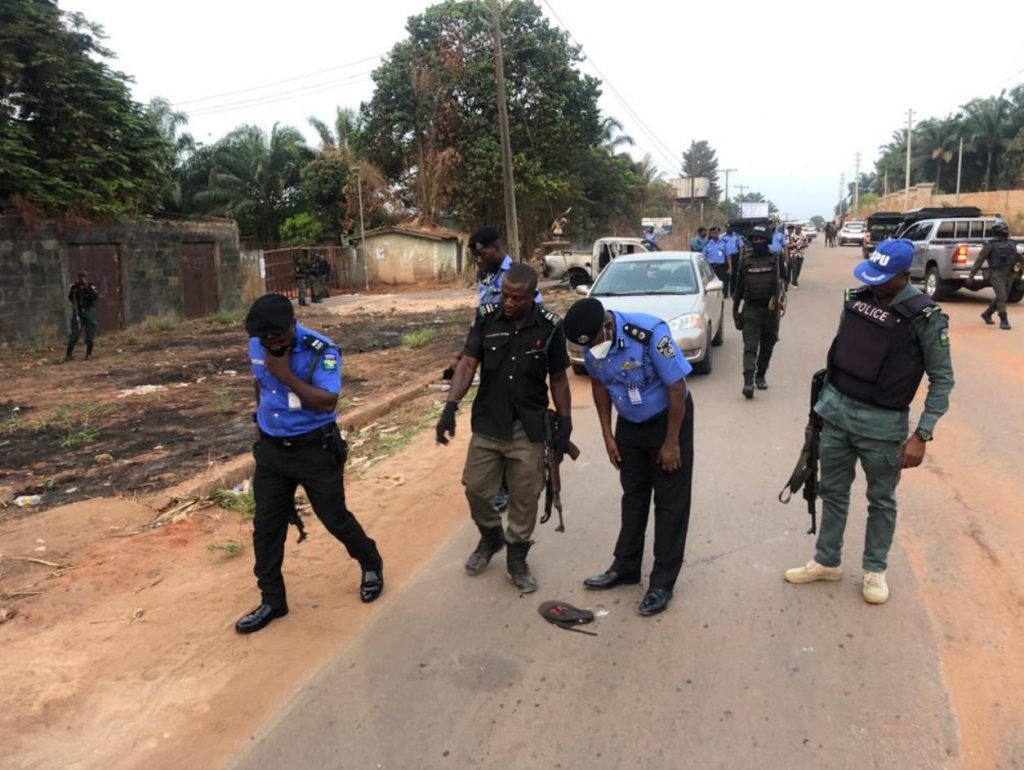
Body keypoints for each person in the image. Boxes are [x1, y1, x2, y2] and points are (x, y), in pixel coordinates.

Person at [784, 239, 954, 605]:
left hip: (883, 426)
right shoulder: (857, 299)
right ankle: (827, 561)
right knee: (832, 491)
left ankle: (875, 570)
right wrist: (821, 410)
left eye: (883, 277)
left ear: (904, 274)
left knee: (881, 500)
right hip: (837, 414)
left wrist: (922, 434)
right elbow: (842, 353)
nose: (873, 282)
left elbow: (942, 380)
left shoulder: (926, 317)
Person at [236, 294, 384, 634]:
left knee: (334, 518)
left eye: (277, 337)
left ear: (293, 324)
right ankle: (273, 600)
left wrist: (284, 373)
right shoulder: (257, 344)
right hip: (273, 451)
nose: (271, 344)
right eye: (265, 340)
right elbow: (259, 383)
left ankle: (370, 561)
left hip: (314, 450)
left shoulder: (321, 350)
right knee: (266, 528)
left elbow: (327, 402)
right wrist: (259, 423)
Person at [436, 263, 572, 594]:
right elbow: (468, 363)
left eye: (517, 298)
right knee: (476, 487)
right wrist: (450, 407)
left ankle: (517, 555)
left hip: (528, 426)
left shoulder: (550, 327)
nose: (508, 303)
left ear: (532, 297)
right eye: (505, 295)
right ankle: (491, 535)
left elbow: (558, 379)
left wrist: (565, 423)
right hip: (489, 421)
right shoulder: (486, 318)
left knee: (525, 495)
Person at [562, 297, 694, 616]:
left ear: (608, 326)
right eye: (585, 347)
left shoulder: (649, 334)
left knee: (669, 503)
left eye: (594, 343)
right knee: (633, 496)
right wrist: (608, 435)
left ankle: (662, 582)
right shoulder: (592, 345)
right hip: (629, 424)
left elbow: (677, 387)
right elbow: (599, 385)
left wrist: (671, 442)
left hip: (668, 421)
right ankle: (626, 567)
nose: (591, 351)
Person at [733, 225, 788, 398]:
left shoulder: (776, 259)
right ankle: (748, 382)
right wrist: (735, 313)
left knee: (767, 345)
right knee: (750, 347)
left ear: (767, 240)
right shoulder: (745, 261)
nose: (758, 242)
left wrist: (779, 295)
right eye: (755, 239)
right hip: (751, 310)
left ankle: (760, 375)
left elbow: (785, 278)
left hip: (771, 311)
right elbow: (738, 290)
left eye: (761, 239)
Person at [968, 219, 1020, 330]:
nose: (1006, 231)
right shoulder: (990, 245)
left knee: (1003, 296)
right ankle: (1004, 320)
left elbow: (1016, 258)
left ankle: (987, 313)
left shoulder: (1011, 243)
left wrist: (1019, 270)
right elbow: (979, 260)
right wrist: (971, 275)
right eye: (1004, 229)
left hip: (1009, 272)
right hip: (996, 273)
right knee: (1001, 296)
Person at [64, 271, 99, 362]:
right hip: (78, 312)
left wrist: (87, 288)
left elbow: (95, 297)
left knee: (90, 333)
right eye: (81, 277)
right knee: (74, 333)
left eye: (84, 277)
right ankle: (69, 354)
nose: (82, 279)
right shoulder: (74, 287)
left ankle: (89, 353)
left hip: (88, 311)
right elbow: (71, 298)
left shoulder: (90, 286)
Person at [702, 227, 730, 296]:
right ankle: (713, 295)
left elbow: (728, 256)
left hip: (721, 266)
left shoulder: (724, 243)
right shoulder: (707, 244)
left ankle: (724, 295)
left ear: (719, 233)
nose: (715, 234)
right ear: (711, 234)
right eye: (713, 233)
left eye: (717, 233)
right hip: (711, 267)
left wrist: (730, 267)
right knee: (712, 282)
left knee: (723, 281)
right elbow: (704, 257)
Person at [723, 224, 743, 296]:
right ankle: (725, 293)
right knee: (726, 275)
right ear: (725, 228)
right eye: (727, 228)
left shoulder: (737, 236)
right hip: (725, 257)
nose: (729, 229)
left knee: (734, 275)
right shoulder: (723, 237)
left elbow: (741, 247)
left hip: (735, 256)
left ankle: (733, 292)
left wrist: (740, 257)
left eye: (730, 228)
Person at [788, 224, 808, 288]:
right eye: (798, 229)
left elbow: (807, 244)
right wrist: (794, 245)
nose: (799, 230)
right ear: (795, 229)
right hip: (793, 254)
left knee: (798, 269)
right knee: (794, 269)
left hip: (801, 255)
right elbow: (787, 245)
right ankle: (795, 284)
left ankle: (794, 281)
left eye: (800, 229)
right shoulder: (791, 236)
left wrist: (802, 245)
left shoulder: (803, 235)